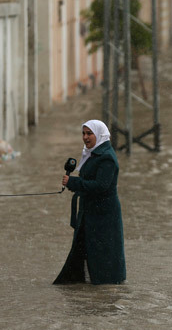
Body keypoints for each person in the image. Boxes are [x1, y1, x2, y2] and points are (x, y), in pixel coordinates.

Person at [54, 120, 126, 285]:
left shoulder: (106, 157)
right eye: (83, 133)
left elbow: (101, 186)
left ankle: (106, 285)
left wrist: (73, 183)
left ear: (99, 135)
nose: (85, 137)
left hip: (104, 215)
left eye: (89, 133)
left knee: (103, 250)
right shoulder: (92, 153)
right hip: (90, 210)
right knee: (84, 246)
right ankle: (83, 283)